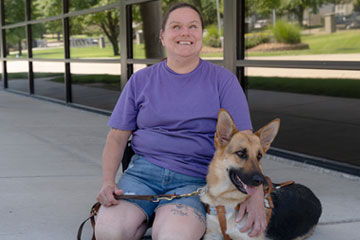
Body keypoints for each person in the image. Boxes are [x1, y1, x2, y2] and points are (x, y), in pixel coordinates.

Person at [95, 3, 266, 240]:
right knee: (108, 234)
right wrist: (107, 182)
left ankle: (163, 219)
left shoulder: (223, 81)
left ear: (200, 36)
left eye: (192, 26)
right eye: (176, 27)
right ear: (163, 37)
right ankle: (145, 216)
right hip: (141, 175)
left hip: (195, 180)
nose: (185, 32)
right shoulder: (140, 80)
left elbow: (246, 144)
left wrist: (256, 194)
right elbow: (117, 137)